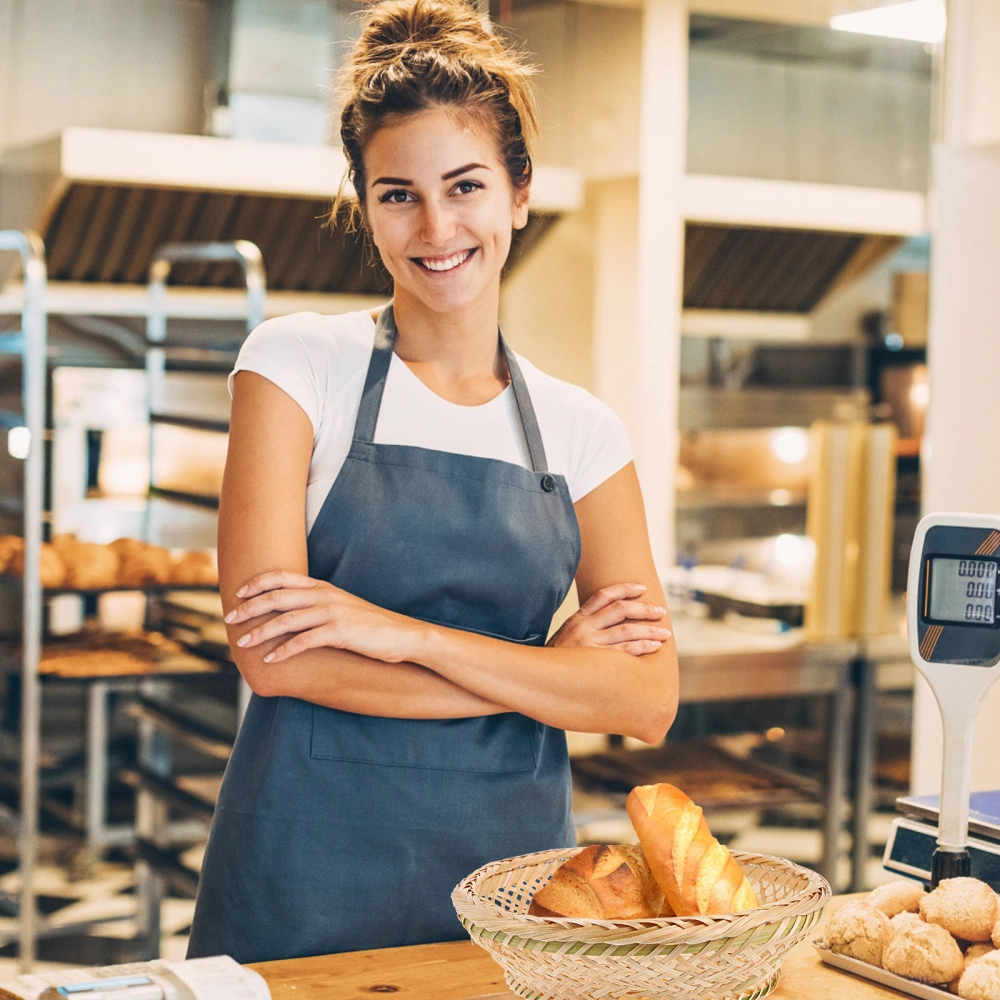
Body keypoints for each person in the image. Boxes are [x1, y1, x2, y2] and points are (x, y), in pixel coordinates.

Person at [186, 0, 678, 964]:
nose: (437, 226)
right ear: (364, 206)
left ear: (519, 193)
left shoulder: (583, 430)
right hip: (300, 878)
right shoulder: (295, 366)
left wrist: (394, 632)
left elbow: (645, 701)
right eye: (398, 193)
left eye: (465, 186)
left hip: (512, 889)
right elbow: (275, 659)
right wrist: (544, 675)